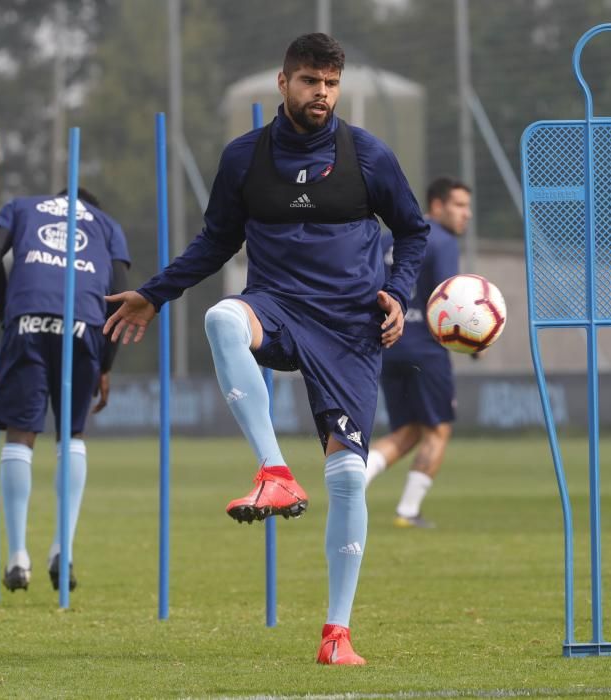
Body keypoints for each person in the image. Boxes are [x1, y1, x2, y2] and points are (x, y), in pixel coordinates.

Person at [103, 33, 427, 665]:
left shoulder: (367, 155)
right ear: (284, 84)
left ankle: (337, 635)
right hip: (276, 308)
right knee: (224, 318)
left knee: (348, 478)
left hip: (349, 329)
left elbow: (412, 231)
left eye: (331, 84)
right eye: (310, 81)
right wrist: (153, 294)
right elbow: (215, 242)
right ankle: (273, 472)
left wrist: (397, 293)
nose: (322, 94)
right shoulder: (244, 158)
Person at [0, 188, 131, 593]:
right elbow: (119, 292)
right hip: (82, 321)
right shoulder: (106, 225)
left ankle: (17, 556)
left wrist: (5, 308)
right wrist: (106, 364)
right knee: (72, 433)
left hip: (26, 318)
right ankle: (62, 550)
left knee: (19, 433)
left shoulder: (21, 207)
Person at [364, 177, 473, 528]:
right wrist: (475, 344)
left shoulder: (387, 239)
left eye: (467, 207)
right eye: (458, 205)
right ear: (436, 206)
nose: (465, 214)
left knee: (408, 431)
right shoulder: (441, 241)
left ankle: (353, 483)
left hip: (388, 344)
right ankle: (408, 512)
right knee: (437, 430)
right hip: (425, 350)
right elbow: (449, 298)